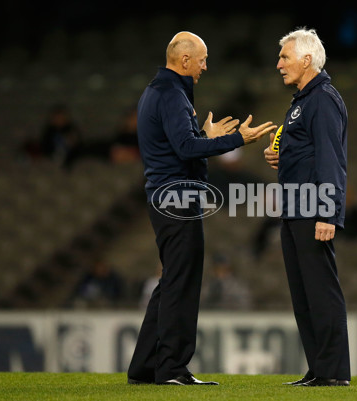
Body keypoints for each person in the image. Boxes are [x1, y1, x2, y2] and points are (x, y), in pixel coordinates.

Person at [127, 31, 276, 386]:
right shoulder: (172, 94)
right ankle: (172, 369)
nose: (205, 66)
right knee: (183, 284)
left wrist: (204, 136)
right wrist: (239, 139)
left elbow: (179, 143)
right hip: (178, 200)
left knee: (171, 282)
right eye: (202, 59)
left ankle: (145, 366)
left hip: (164, 198)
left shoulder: (156, 92)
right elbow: (186, 148)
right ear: (184, 61)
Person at [263, 28, 351, 387]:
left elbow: (332, 158)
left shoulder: (323, 99)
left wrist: (328, 213)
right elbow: (309, 152)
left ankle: (332, 372)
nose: (279, 63)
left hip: (313, 209)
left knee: (321, 290)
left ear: (307, 59)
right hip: (294, 209)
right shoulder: (302, 100)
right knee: (303, 295)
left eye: (285, 57)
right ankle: (318, 369)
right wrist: (280, 157)